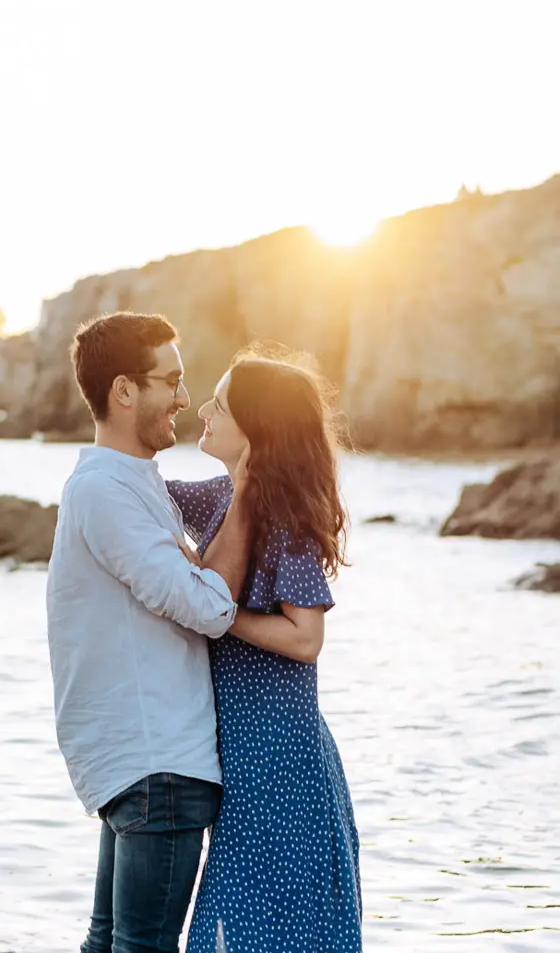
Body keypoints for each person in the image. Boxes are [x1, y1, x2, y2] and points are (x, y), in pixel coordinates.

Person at [46, 312, 252, 953]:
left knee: (109, 944)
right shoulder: (105, 492)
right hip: (156, 762)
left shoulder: (133, 484)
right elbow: (208, 608)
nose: (185, 399)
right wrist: (248, 498)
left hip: (145, 763)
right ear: (124, 391)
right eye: (172, 381)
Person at [167, 351, 363, 953]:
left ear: (257, 430)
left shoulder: (288, 523)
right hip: (236, 755)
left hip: (282, 761)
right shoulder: (217, 498)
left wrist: (217, 612)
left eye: (222, 406)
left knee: (264, 932)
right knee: (230, 926)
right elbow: (141, 497)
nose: (204, 409)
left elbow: (306, 638)